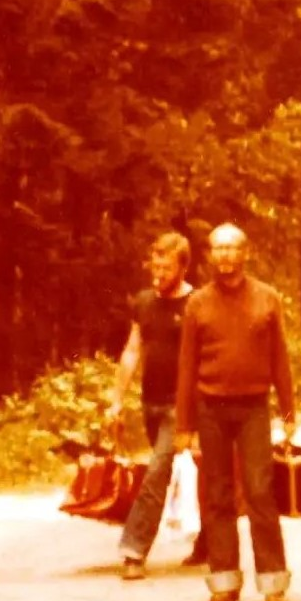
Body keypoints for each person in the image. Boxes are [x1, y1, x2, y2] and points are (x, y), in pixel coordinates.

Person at [174, 223, 297, 601]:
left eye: (232, 248)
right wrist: (183, 424)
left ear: (245, 253)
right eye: (218, 249)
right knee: (218, 493)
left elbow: (280, 357)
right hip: (212, 407)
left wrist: (290, 411)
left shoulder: (267, 298)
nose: (225, 255)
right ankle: (224, 578)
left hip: (254, 407)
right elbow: (187, 366)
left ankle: (273, 580)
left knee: (260, 490)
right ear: (210, 255)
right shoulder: (198, 303)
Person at [108, 232, 207, 580]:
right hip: (150, 402)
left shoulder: (197, 302)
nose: (158, 273)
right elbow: (133, 349)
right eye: (155, 265)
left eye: (166, 267)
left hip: (182, 407)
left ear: (183, 267)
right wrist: (116, 400)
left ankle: (134, 550)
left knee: (157, 474)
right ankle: (209, 540)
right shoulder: (144, 302)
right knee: (193, 473)